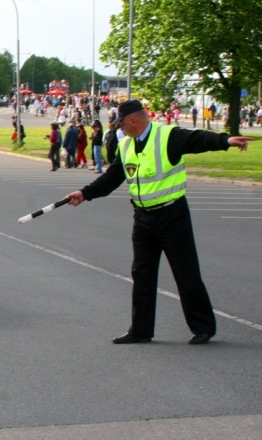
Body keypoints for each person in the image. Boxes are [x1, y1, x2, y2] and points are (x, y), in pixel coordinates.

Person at [64, 100, 252, 345]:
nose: (119, 128)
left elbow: (197, 140)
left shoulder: (167, 136)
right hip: (143, 218)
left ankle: (203, 327)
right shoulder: (127, 144)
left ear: (133, 120)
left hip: (172, 215)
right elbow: (113, 177)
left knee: (186, 273)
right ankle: (140, 330)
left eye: (121, 123)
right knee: (142, 274)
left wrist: (225, 141)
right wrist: (85, 193)